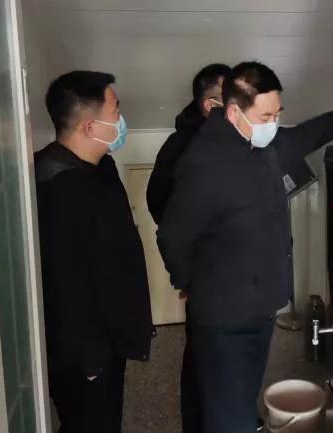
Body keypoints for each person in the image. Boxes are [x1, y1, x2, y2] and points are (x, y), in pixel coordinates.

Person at [157, 61, 333, 433]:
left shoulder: (264, 143)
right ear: (233, 112)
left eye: (277, 114)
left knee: (243, 399)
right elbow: (172, 237)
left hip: (260, 307)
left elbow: (307, 134)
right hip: (224, 317)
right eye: (265, 116)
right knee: (230, 416)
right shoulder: (204, 163)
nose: (273, 123)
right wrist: (189, 282)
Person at [35, 71, 153, 433]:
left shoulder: (100, 166)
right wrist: (89, 359)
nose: (121, 119)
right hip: (86, 355)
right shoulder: (59, 187)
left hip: (109, 337)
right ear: (90, 126)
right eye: (115, 110)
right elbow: (64, 283)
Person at [146, 63, 235, 433]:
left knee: (228, 353)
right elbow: (158, 205)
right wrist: (187, 270)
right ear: (209, 104)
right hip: (206, 272)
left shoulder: (229, 138)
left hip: (234, 270)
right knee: (204, 355)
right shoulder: (184, 147)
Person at [146, 63, 232, 225]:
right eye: (232, 98)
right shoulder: (178, 146)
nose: (242, 104)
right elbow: (157, 200)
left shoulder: (241, 141)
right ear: (211, 105)